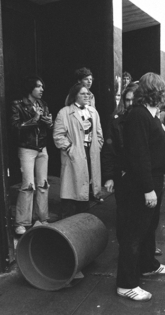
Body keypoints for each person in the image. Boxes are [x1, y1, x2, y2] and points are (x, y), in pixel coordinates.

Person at [116, 72, 165, 302]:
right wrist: (148, 189)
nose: (164, 94)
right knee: (133, 234)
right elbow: (140, 156)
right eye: (161, 90)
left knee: (148, 227)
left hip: (152, 180)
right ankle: (126, 284)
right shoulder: (139, 116)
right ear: (154, 92)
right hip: (141, 185)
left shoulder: (150, 114)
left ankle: (148, 264)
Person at [53, 83, 104, 219]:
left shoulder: (93, 112)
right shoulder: (65, 112)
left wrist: (96, 147)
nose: (86, 96)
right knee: (71, 190)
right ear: (75, 95)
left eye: (88, 93)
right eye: (83, 93)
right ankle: (68, 224)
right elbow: (58, 136)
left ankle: (83, 222)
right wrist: (70, 149)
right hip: (73, 154)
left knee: (86, 188)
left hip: (90, 152)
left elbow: (99, 134)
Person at [10, 76, 53, 235]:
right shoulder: (18, 105)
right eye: (39, 86)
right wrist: (34, 119)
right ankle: (21, 222)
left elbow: (47, 125)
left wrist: (49, 122)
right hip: (27, 148)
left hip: (42, 147)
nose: (42, 89)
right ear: (30, 88)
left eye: (42, 86)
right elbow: (15, 127)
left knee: (43, 184)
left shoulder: (43, 104)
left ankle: (41, 218)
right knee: (28, 185)